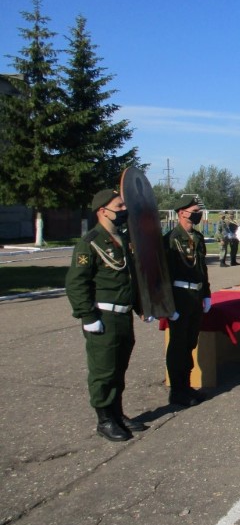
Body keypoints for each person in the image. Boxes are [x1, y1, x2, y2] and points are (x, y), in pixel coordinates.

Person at [65, 189, 147, 442]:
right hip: (103, 316)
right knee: (103, 371)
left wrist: (140, 306)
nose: (124, 210)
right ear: (103, 211)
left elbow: (129, 278)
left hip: (123, 316)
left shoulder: (121, 239)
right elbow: (76, 283)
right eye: (119, 206)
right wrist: (87, 316)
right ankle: (104, 420)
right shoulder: (90, 242)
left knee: (119, 368)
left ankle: (117, 413)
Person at [164, 196, 211, 406]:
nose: (197, 213)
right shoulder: (170, 240)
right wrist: (167, 304)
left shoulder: (198, 238)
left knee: (190, 343)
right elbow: (163, 275)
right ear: (182, 212)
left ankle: (186, 386)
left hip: (196, 296)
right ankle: (177, 390)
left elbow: (202, 270)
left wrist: (207, 293)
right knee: (178, 345)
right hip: (179, 297)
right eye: (194, 210)